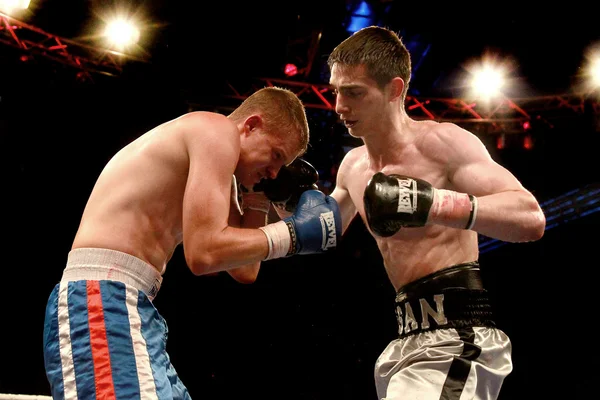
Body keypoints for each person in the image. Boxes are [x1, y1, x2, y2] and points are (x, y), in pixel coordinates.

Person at [42, 86, 341, 399]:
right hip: (101, 299)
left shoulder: (216, 167)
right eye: (276, 156)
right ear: (250, 125)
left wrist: (262, 194)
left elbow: (245, 270)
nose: (274, 171)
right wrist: (292, 235)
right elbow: (204, 254)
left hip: (131, 304)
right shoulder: (216, 130)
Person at [326, 26, 546, 400]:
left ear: (394, 90)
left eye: (354, 93)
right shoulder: (352, 168)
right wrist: (267, 196)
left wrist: (433, 203)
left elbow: (530, 217)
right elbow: (319, 231)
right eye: (336, 91)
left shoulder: (442, 144)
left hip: (459, 335)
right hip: (405, 341)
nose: (340, 106)